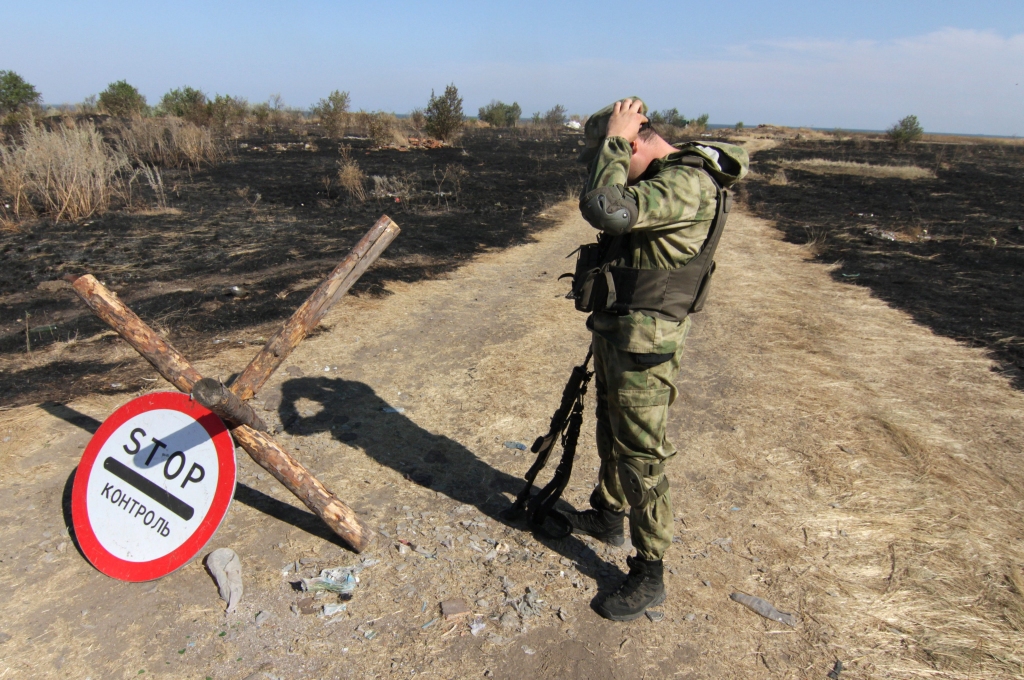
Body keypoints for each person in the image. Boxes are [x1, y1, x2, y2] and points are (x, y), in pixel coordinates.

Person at [563, 98, 748, 621]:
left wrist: (615, 139)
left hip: (646, 343)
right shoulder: (667, 178)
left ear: (638, 139)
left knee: (642, 454)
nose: (611, 162)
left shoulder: (685, 184)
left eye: (619, 149)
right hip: (623, 329)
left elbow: (606, 207)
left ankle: (649, 570)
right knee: (611, 428)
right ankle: (608, 514)